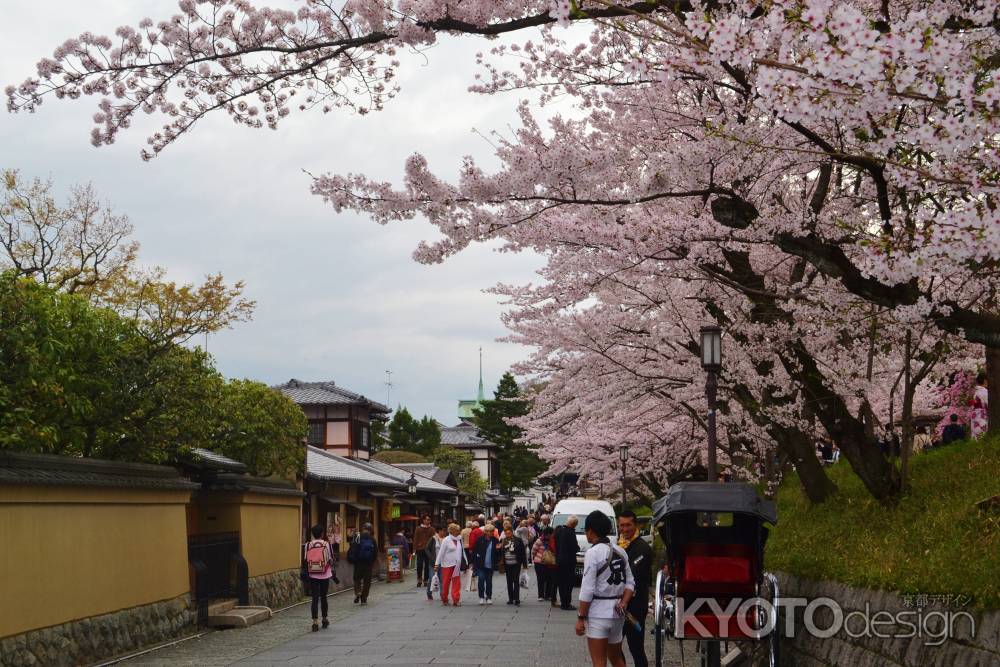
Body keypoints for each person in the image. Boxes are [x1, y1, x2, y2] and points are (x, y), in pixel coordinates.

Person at [575, 511, 634, 667]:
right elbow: (630, 583)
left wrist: (581, 617)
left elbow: (587, 590)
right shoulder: (620, 551)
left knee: (599, 662)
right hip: (617, 612)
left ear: (591, 531)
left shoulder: (593, 553)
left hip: (598, 614)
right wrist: (624, 602)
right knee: (616, 659)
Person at [618, 511, 652, 667]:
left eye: (628, 525)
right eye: (622, 525)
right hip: (620, 604)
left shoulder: (642, 547)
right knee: (614, 645)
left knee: (636, 647)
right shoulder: (619, 545)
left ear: (636, 525)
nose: (625, 529)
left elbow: (632, 574)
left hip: (635, 606)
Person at [304, 524, 334, 632]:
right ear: (322, 534)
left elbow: (306, 560)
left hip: (313, 574)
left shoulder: (308, 545)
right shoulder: (327, 544)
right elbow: (330, 560)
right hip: (325, 574)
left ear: (312, 534)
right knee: (324, 596)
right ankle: (325, 618)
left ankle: (315, 621)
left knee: (315, 598)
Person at [434, 523, 467, 606]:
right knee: (446, 583)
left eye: (458, 530)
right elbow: (441, 553)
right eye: (456, 530)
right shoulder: (446, 540)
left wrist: (466, 561)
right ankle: (444, 598)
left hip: (457, 564)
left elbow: (463, 551)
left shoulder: (459, 539)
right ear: (451, 531)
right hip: (447, 565)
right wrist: (436, 564)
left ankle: (456, 599)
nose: (458, 532)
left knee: (456, 583)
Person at [347, 522, 379, 605]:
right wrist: (372, 561)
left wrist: (353, 559)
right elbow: (375, 552)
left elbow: (353, 548)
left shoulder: (357, 536)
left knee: (357, 578)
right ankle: (364, 598)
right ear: (370, 530)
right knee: (367, 581)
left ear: (363, 528)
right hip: (368, 563)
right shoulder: (372, 539)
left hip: (358, 562)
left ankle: (358, 592)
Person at [554, 515, 580, 610]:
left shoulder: (559, 531)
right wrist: (578, 548)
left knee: (561, 583)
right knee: (568, 583)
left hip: (559, 561)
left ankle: (563, 602)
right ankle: (566, 604)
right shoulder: (570, 533)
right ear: (574, 524)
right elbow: (574, 547)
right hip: (568, 562)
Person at [472, 521, 501, 605]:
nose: (490, 533)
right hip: (481, 564)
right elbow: (474, 551)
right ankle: (481, 597)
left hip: (490, 564)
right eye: (488, 531)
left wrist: (498, 549)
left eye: (492, 531)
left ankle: (489, 597)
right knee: (481, 580)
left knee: (489, 582)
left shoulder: (495, 540)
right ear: (485, 531)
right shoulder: (480, 540)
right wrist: (473, 563)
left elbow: (498, 554)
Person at [500, 523, 528, 605]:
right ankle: (510, 598)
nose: (507, 535)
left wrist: (525, 564)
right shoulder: (504, 540)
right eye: (506, 533)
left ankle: (517, 598)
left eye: (509, 533)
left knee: (516, 580)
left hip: (516, 563)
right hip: (507, 563)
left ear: (512, 532)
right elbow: (502, 552)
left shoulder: (518, 540)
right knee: (509, 581)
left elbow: (523, 552)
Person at [423, 525, 447, 601]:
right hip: (433, 563)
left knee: (442, 579)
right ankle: (429, 593)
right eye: (443, 530)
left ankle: (442, 595)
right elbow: (427, 549)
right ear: (439, 531)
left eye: (445, 530)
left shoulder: (446, 539)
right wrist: (431, 558)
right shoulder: (433, 539)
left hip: (443, 563)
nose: (444, 532)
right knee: (431, 577)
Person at [532, 526, 555, 601]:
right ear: (547, 534)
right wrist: (536, 557)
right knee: (540, 579)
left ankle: (548, 595)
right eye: (551, 534)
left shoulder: (552, 541)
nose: (552, 535)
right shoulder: (540, 540)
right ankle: (540, 595)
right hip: (539, 562)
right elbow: (534, 550)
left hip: (549, 562)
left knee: (549, 579)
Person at [413, 515, 435, 588]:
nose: (428, 521)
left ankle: (426, 580)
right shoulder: (418, 528)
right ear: (423, 520)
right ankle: (419, 579)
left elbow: (433, 539)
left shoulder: (432, 529)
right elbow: (415, 538)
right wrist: (414, 548)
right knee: (419, 565)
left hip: (428, 550)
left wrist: (433, 549)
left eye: (429, 519)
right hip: (420, 549)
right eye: (427, 519)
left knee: (427, 566)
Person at [466, 520, 482, 592]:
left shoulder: (473, 532)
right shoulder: (481, 531)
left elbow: (472, 542)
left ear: (473, 526)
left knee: (473, 565)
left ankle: (473, 584)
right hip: (480, 550)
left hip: (474, 550)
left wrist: (470, 549)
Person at [972, 372, 989, 439]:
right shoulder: (984, 391)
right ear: (985, 380)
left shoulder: (976, 392)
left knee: (976, 436)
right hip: (982, 416)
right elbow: (988, 404)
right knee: (983, 435)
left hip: (975, 415)